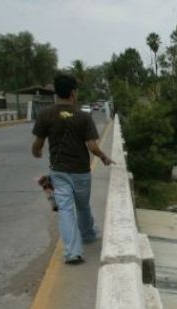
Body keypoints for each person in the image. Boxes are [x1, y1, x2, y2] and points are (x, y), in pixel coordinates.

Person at [31, 73, 114, 265]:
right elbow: (92, 146)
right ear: (73, 93)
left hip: (59, 172)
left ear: (56, 92)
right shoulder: (84, 117)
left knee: (66, 210)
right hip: (81, 172)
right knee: (83, 205)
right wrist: (103, 157)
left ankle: (73, 252)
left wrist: (36, 152)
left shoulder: (45, 115)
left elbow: (38, 144)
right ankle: (88, 234)